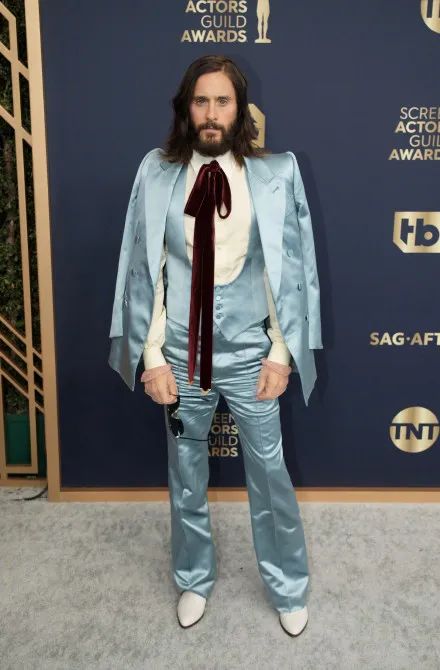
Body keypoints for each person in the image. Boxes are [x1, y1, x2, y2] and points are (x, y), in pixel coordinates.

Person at [108, 54, 323, 636]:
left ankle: (287, 585)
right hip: (180, 351)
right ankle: (193, 578)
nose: (211, 113)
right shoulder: (156, 172)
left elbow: (289, 270)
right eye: (200, 101)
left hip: (250, 351)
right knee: (185, 471)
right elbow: (145, 270)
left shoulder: (276, 173)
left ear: (240, 109)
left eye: (222, 101)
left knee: (270, 473)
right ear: (186, 108)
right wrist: (152, 357)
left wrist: (281, 352)